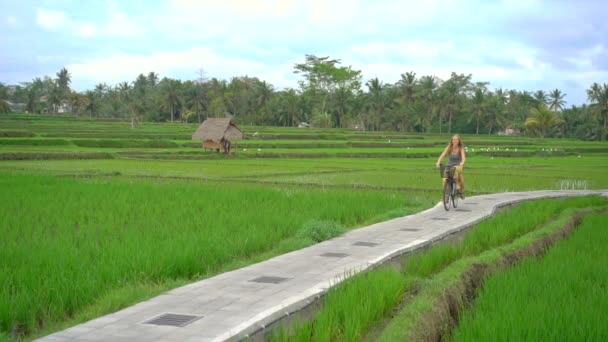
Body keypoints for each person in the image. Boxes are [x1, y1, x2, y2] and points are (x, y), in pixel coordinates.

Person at [435, 134, 466, 199]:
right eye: (453, 140)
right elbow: (442, 155)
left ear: (459, 141)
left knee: (456, 172)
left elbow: (463, 157)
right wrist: (438, 162)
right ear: (451, 141)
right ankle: (446, 195)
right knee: (444, 178)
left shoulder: (461, 148)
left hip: (458, 166)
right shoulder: (449, 147)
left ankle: (458, 186)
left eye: (456, 140)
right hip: (449, 165)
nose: (455, 141)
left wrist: (462, 162)